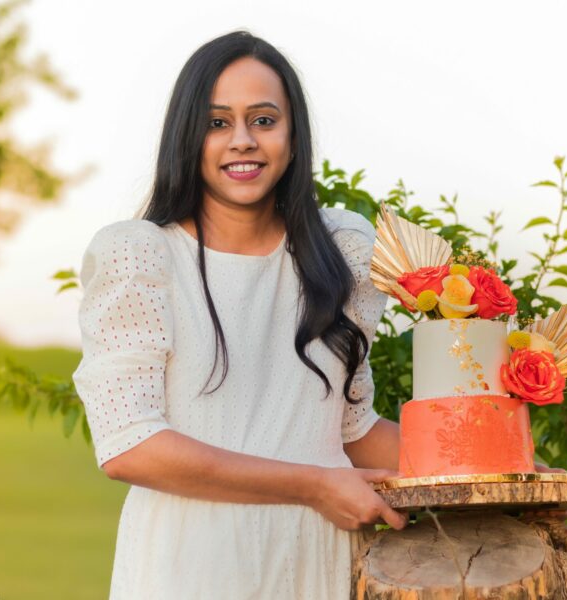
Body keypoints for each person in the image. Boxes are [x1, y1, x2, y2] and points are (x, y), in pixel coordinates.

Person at [72, 31, 406, 599]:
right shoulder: (140, 255)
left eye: (265, 120)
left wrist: (509, 473)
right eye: (218, 122)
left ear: (294, 137)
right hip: (191, 562)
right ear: (187, 136)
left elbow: (351, 429)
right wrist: (313, 486)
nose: (243, 141)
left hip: (317, 560)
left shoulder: (340, 251)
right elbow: (130, 446)